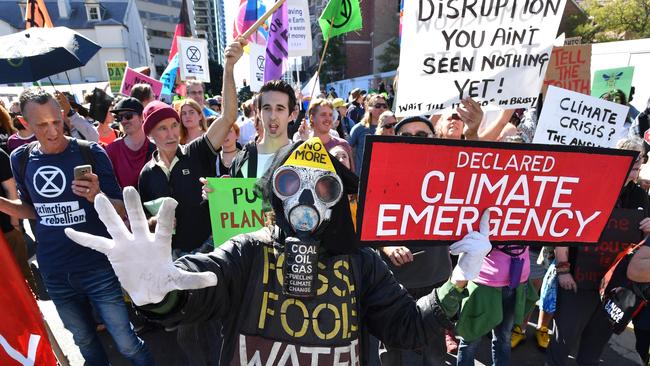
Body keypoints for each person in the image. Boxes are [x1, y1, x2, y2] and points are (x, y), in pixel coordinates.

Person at [65, 134, 494, 366]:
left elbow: (408, 328)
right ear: (275, 193)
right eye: (292, 183)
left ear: (336, 200)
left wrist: (460, 278)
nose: (306, 199)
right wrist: (159, 291)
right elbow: (201, 284)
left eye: (323, 187)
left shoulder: (360, 264)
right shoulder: (248, 252)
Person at [0, 88, 154, 365]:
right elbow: (32, 210)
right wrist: (3, 204)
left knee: (126, 342)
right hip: (55, 271)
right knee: (84, 341)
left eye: (56, 122)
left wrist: (97, 195)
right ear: (24, 124)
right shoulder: (21, 158)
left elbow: (121, 207)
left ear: (63, 115)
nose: (52, 131)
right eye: (42, 125)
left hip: (97, 265)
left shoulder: (90, 152)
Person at [546, 137, 650, 366]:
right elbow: (562, 226)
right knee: (562, 345)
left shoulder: (640, 195)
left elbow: (643, 242)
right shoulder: (590, 186)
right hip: (578, 282)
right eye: (632, 160)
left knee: (592, 352)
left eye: (640, 160)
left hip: (614, 288)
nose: (637, 166)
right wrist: (563, 270)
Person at [378, 116, 453, 365]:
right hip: (395, 284)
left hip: (436, 280)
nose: (414, 141)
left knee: (434, 355)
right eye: (406, 137)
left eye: (421, 136)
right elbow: (366, 228)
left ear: (433, 139)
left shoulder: (449, 175)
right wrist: (388, 246)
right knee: (395, 355)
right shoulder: (381, 174)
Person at [229, 80, 298, 178]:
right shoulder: (242, 161)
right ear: (258, 113)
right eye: (267, 108)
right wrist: (217, 192)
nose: (273, 116)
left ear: (291, 115)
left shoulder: (303, 158)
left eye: (280, 109)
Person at [105, 97, 155, 189]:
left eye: (128, 116)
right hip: (124, 203)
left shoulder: (157, 149)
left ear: (141, 117)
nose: (123, 121)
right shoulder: (112, 150)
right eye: (119, 118)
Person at [348, 94, 388, 175]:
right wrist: (353, 170)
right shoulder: (359, 128)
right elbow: (348, 150)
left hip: (383, 174)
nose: (381, 108)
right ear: (369, 108)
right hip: (362, 176)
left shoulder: (390, 128)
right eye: (377, 106)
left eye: (384, 106)